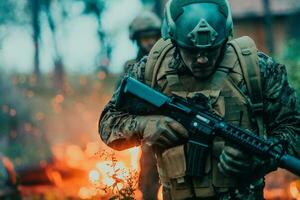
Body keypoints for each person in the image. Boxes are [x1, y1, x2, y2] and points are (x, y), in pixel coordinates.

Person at [99, 0, 300, 199]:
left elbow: (293, 127)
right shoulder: (151, 69)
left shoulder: (257, 69)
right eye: (192, 51)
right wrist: (145, 126)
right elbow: (108, 123)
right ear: (174, 41)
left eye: (211, 50)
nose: (202, 59)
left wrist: (259, 160)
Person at [120, 10, 162, 200]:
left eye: (153, 36)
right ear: (136, 40)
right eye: (145, 38)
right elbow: (119, 102)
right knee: (148, 184)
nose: (150, 42)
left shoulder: (170, 62)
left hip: (174, 128)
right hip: (147, 135)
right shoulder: (131, 68)